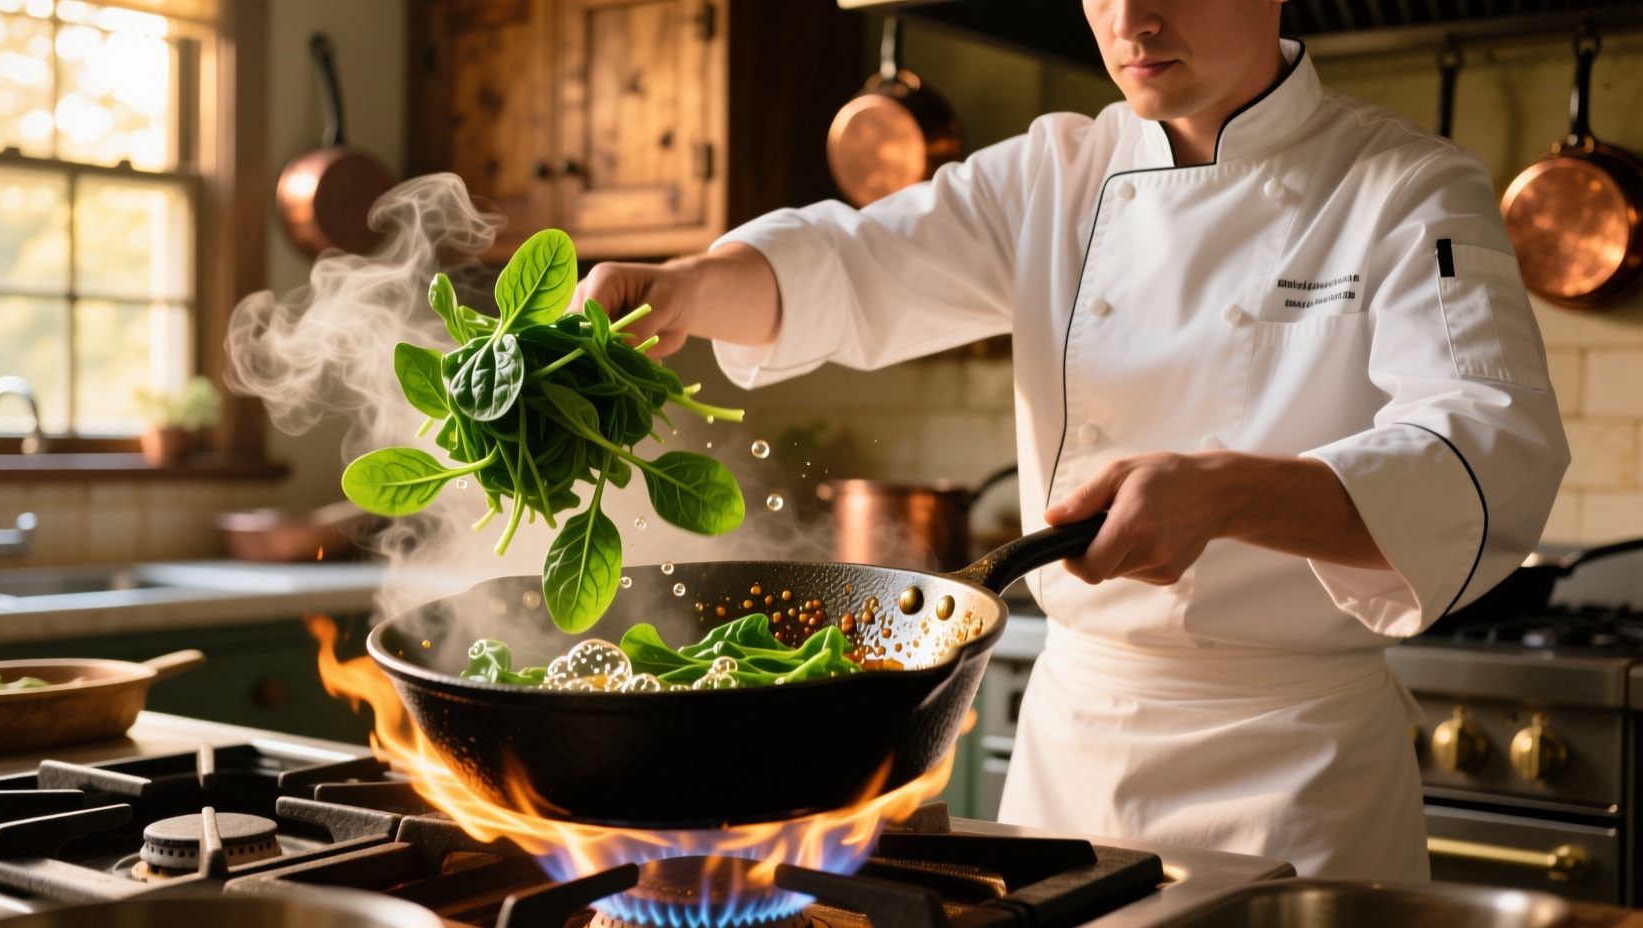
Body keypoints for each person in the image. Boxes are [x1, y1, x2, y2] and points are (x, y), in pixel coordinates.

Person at [572, 0, 1569, 879]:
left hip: (1299, 777)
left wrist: (1224, 493)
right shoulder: (1055, 172)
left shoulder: (1405, 186)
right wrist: (690, 287)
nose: (1128, 19)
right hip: (1073, 763)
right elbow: (859, 262)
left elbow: (1487, 448)